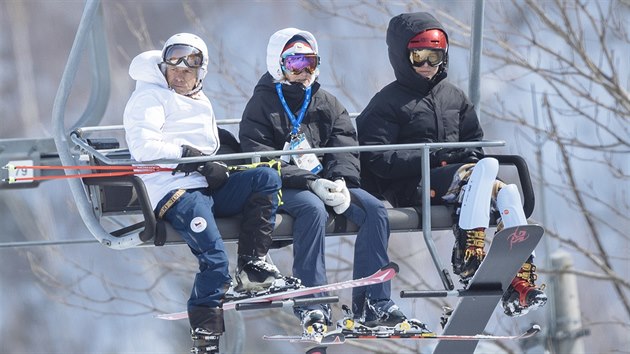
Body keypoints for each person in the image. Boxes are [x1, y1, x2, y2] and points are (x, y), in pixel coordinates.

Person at [356, 12, 547, 317]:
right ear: (403, 57)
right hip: (412, 186)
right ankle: (469, 254)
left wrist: (462, 160)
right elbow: (377, 158)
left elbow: (473, 142)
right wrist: (434, 157)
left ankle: (520, 280)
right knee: (483, 172)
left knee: (507, 192)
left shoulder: (454, 97)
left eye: (435, 57)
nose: (427, 66)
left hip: (461, 182)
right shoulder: (388, 103)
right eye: (419, 57)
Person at [239, 28, 423, 336]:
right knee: (313, 210)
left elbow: (345, 143)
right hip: (285, 187)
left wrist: (341, 179)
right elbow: (259, 159)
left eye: (309, 63)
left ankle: (373, 303)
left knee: (375, 210)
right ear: (278, 64)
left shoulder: (326, 102)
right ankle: (313, 302)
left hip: (328, 183)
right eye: (295, 64)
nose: (303, 72)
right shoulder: (262, 105)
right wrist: (309, 182)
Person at [123, 33, 297, 353]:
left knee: (265, 178)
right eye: (174, 67)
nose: (180, 74)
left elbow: (207, 145)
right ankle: (205, 336)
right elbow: (144, 147)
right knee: (215, 261)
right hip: (174, 192)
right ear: (163, 67)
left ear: (200, 73)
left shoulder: (198, 99)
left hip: (202, 187)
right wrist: (198, 162)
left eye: (189, 69)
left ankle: (252, 265)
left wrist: (213, 168)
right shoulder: (150, 98)